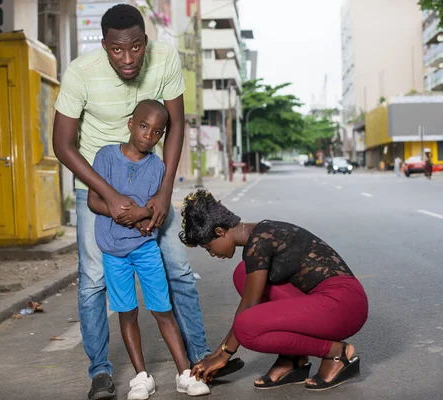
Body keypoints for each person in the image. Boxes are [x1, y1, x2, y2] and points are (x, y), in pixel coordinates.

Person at [52, 5, 241, 399]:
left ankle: (199, 359)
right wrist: (107, 193)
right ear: (105, 45)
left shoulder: (165, 60)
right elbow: (62, 144)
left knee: (177, 269)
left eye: (136, 48)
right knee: (93, 280)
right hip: (98, 180)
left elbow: (176, 125)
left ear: (145, 42)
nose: (127, 59)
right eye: (117, 50)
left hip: (151, 182)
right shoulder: (80, 73)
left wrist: (163, 193)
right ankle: (101, 372)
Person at [179, 190, 368, 392]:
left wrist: (222, 356)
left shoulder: (259, 243)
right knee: (243, 273)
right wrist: (217, 355)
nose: (213, 254)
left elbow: (248, 308)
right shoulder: (260, 233)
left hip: (344, 306)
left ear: (220, 231)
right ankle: (293, 358)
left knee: (246, 328)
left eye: (209, 248)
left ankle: (336, 353)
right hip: (331, 300)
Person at [88, 100, 209, 399]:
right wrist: (122, 213)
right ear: (131, 123)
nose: (148, 135)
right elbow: (93, 200)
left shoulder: (157, 167)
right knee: (127, 312)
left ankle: (184, 373)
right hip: (113, 251)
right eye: (143, 127)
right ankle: (142, 377)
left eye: (157, 132)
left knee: (162, 309)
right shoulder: (105, 156)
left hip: (145, 249)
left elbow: (157, 211)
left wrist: (142, 216)